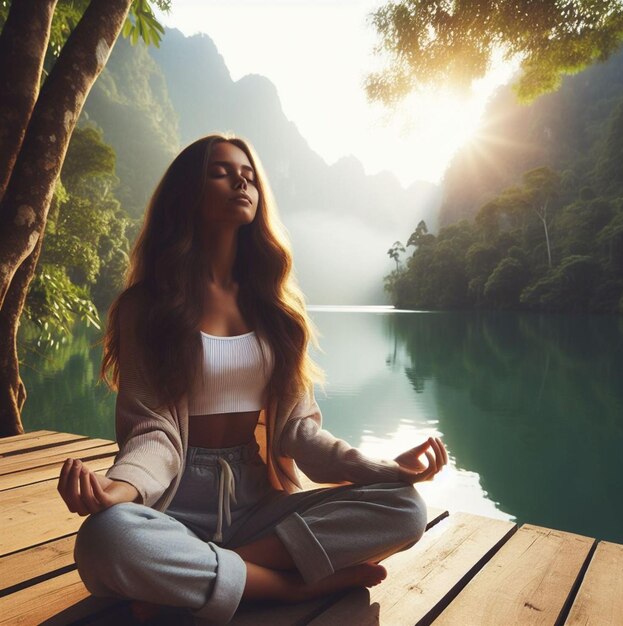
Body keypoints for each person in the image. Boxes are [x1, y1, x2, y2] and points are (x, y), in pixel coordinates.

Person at [58, 134, 448, 625]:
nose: (241, 178)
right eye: (221, 171)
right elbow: (152, 432)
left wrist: (387, 469)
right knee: (104, 539)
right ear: (188, 194)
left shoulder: (278, 311)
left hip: (255, 507)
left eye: (248, 173)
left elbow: (300, 434)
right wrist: (117, 490)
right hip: (174, 506)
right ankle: (281, 587)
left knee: (406, 509)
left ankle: (209, 578)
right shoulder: (145, 308)